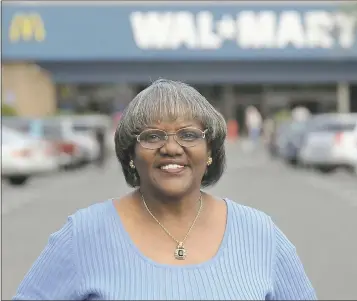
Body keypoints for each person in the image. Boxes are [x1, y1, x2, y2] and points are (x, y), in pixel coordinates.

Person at [13, 79, 317, 300]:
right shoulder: (83, 235)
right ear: (131, 154)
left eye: (188, 134)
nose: (172, 148)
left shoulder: (259, 234)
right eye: (153, 136)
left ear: (209, 150)